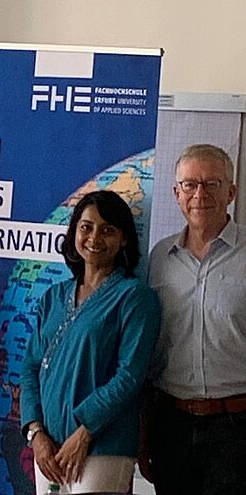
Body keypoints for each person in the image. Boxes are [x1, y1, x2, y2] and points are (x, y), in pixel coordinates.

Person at [19, 190, 160, 494]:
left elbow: (129, 376)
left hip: (103, 448)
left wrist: (84, 433)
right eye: (86, 227)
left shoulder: (134, 298)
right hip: (49, 450)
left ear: (124, 239)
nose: (95, 237)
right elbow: (30, 367)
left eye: (108, 230)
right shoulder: (53, 297)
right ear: (74, 233)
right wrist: (36, 433)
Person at [142, 144, 246, 495]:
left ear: (231, 192)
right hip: (170, 424)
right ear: (177, 193)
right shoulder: (159, 258)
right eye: (190, 184)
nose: (199, 194)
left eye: (212, 184)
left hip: (238, 425)